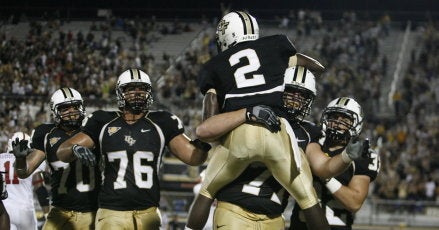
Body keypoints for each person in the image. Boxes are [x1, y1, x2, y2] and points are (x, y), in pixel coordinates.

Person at [186, 11, 332, 230]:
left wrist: (208, 143)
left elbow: (207, 127)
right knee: (308, 198)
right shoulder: (274, 45)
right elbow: (315, 65)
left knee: (206, 191)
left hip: (241, 134)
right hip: (277, 132)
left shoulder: (214, 65)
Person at [190, 66, 370, 229]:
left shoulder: (307, 132)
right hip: (234, 206)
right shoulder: (255, 113)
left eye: (302, 95)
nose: (295, 99)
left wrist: (346, 156)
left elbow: (323, 168)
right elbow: (206, 129)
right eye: (291, 92)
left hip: (274, 216)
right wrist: (244, 113)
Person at [56, 68, 210, 230]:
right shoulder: (102, 121)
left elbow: (193, 158)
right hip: (111, 211)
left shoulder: (162, 121)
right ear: (120, 92)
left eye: (141, 89)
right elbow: (62, 151)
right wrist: (74, 149)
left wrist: (203, 143)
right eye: (131, 89)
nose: (137, 93)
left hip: (148, 212)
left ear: (148, 93)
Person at [13, 87, 99, 230]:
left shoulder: (92, 130)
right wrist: (20, 159)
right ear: (55, 111)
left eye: (75, 106)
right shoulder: (46, 134)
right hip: (60, 210)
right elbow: (24, 172)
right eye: (65, 108)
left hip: (93, 210)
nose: (72, 111)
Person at [290, 97, 380, 230]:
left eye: (345, 120)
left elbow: (354, 202)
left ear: (357, 124)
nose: (338, 123)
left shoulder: (363, 155)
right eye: (334, 117)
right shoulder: (312, 144)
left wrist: (325, 177)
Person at [1, 132, 49, 230]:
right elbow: (40, 189)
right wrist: (47, 213)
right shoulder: (32, 161)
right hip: (25, 212)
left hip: (4, 210)